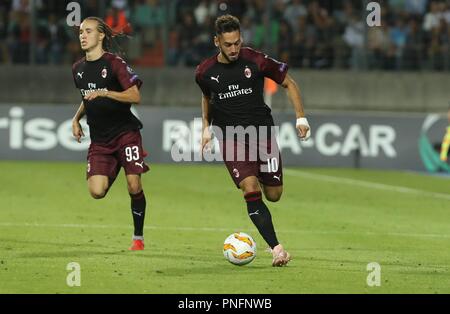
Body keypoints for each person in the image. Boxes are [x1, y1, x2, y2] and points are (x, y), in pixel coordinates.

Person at [195, 15, 311, 267]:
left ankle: (258, 174)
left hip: (262, 135)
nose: (234, 49)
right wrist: (206, 127)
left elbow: (289, 83)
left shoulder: (256, 60)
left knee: (275, 194)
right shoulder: (204, 71)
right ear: (217, 42)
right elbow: (207, 97)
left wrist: (301, 118)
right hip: (230, 137)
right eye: (228, 44)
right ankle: (277, 250)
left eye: (237, 42)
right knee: (250, 189)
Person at [71, 17, 149, 251]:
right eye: (81, 32)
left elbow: (135, 96)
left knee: (134, 186)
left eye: (88, 31)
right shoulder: (77, 69)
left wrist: (107, 92)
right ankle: (114, 165)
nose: (83, 35)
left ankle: (138, 237)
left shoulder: (115, 64)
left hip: (126, 133)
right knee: (97, 192)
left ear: (101, 35)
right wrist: (76, 118)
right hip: (100, 140)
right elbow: (87, 96)